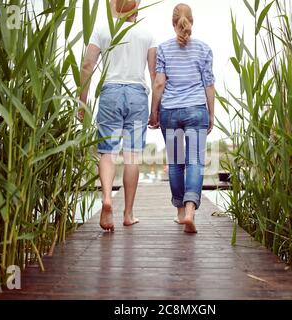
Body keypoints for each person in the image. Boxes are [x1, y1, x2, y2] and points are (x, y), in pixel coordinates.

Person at [79, 0, 157, 231]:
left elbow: (86, 66)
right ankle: (128, 214)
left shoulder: (102, 29)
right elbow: (154, 75)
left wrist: (81, 103)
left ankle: (107, 199)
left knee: (107, 152)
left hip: (110, 92)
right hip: (137, 94)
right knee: (132, 155)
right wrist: (155, 109)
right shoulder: (147, 33)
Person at [148, 3, 215, 233]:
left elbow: (158, 83)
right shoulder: (204, 49)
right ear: (192, 22)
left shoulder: (164, 49)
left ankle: (179, 213)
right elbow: (209, 85)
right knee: (195, 161)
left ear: (172, 22)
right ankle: (189, 211)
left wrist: (154, 111)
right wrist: (211, 113)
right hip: (197, 110)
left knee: (176, 163)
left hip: (172, 112)